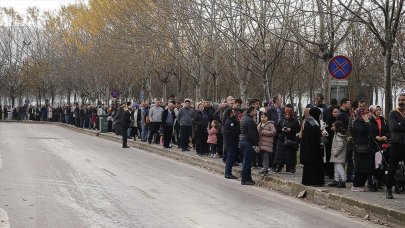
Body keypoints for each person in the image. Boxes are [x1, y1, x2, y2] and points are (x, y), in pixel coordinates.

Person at [386, 93, 405, 199]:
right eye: (400, 100)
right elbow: (393, 127)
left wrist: (400, 124)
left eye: (403, 100)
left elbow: (398, 126)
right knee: (392, 168)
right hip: (396, 144)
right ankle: (389, 189)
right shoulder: (393, 113)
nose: (401, 102)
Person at [351, 100, 373, 192]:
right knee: (359, 167)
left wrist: (368, 122)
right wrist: (367, 122)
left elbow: (371, 132)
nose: (362, 108)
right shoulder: (356, 121)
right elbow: (363, 131)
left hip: (367, 146)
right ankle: (355, 185)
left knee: (366, 167)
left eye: (364, 106)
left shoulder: (368, 120)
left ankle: (361, 184)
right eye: (360, 106)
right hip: (359, 147)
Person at [300, 107, 325, 186]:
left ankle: (309, 181)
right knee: (314, 166)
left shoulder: (310, 121)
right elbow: (314, 136)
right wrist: (321, 133)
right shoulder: (312, 122)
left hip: (309, 148)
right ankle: (314, 181)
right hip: (313, 149)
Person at [368, 105, 390, 191]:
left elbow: (388, 131)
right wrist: (375, 137)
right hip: (373, 144)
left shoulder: (383, 120)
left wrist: (385, 136)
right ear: (372, 111)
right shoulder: (370, 120)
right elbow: (368, 131)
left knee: (380, 163)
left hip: (382, 144)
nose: (378, 112)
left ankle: (379, 181)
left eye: (379, 110)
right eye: (376, 110)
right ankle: (370, 182)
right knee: (372, 164)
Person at [274, 105, 301, 173]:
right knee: (280, 154)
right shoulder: (282, 120)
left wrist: (291, 130)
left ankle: (291, 167)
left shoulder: (295, 120)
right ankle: (279, 166)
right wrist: (282, 129)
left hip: (291, 139)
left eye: (289, 114)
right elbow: (277, 128)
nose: (287, 116)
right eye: (286, 114)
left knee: (291, 154)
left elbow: (298, 129)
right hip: (282, 139)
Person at [239, 106, 259, 185]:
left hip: (243, 141)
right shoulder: (250, 120)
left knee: (246, 160)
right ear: (251, 111)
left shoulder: (244, 118)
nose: (256, 112)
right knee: (247, 161)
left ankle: (248, 178)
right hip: (247, 142)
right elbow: (252, 134)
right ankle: (245, 179)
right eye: (255, 111)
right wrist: (256, 144)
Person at [328, 120, 348, 188]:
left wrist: (335, 152)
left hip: (338, 155)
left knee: (339, 168)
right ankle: (336, 180)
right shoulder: (338, 134)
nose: (332, 127)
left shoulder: (338, 135)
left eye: (334, 126)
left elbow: (340, 145)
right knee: (336, 168)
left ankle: (343, 180)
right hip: (338, 155)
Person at [268, 96, 285, 171]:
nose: (281, 101)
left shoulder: (282, 109)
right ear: (275, 101)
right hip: (273, 130)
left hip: (281, 130)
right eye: (280, 100)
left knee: (280, 148)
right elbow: (267, 120)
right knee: (274, 148)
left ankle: (280, 164)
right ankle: (273, 165)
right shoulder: (270, 109)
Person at [224, 109, 240, 179]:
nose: (234, 113)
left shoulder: (232, 120)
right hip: (231, 142)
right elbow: (233, 131)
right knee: (230, 157)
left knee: (231, 157)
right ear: (230, 113)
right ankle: (228, 173)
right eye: (233, 112)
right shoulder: (230, 122)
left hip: (232, 141)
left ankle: (228, 172)